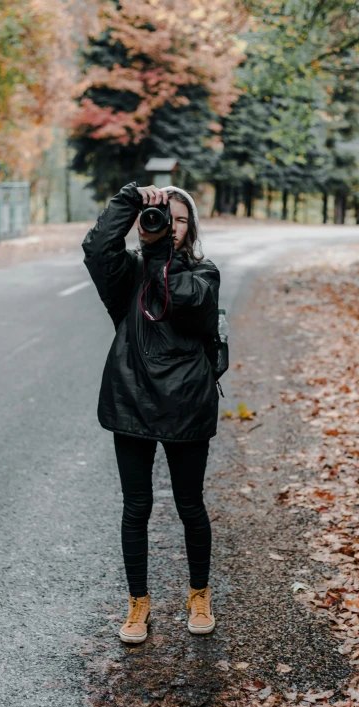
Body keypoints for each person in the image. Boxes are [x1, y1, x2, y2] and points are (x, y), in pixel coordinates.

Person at [82, 182, 222, 644]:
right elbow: (97, 249)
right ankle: (138, 603)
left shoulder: (205, 275)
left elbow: (178, 298)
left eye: (180, 220)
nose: (171, 227)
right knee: (136, 507)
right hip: (133, 400)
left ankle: (198, 594)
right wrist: (130, 201)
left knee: (189, 506)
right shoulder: (129, 275)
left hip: (186, 407)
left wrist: (159, 252)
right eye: (163, 217)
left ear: (191, 228)